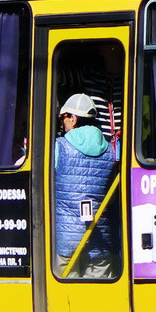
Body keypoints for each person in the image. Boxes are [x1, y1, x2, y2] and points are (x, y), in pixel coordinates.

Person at [52, 93, 119, 279]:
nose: (62, 124)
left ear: (72, 118)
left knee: (68, 300)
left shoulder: (59, 147)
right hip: (100, 239)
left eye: (63, 118)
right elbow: (112, 198)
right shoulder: (111, 151)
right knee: (98, 301)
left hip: (66, 242)